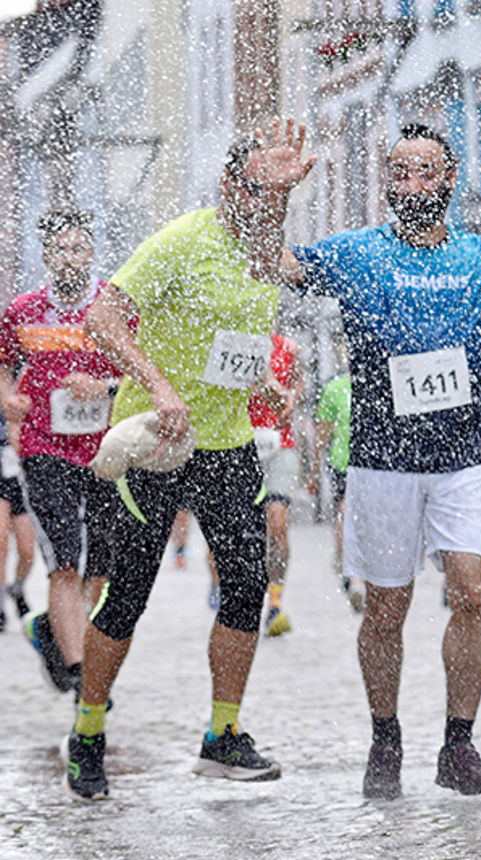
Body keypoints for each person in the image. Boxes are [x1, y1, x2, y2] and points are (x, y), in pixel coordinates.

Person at [280, 124, 481, 800]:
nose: (412, 183)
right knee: (386, 609)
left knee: (474, 592)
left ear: (449, 179)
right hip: (381, 460)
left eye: (425, 170)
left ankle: (459, 744)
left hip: (464, 457)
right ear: (388, 183)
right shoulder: (357, 253)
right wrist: (273, 197)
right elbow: (273, 263)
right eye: (400, 172)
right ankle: (385, 738)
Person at [64, 118, 315, 801]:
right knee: (127, 598)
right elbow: (102, 318)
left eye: (278, 192)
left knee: (247, 586)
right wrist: (159, 386)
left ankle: (222, 735)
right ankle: (88, 732)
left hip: (226, 443)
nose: (266, 202)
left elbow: (231, 337)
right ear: (229, 185)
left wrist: (262, 383)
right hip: (154, 441)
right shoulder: (183, 240)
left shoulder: (265, 257)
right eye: (258, 187)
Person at [0, 207, 122, 694]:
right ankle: (80, 673)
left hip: (106, 451)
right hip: (43, 448)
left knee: (100, 567)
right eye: (59, 249)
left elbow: (141, 373)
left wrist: (103, 387)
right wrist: (7, 399)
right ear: (46, 254)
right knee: (64, 559)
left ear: (91, 252)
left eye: (78, 248)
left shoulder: (113, 307)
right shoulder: (22, 311)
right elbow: (3, 363)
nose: (69, 257)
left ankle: (56, 631)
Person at [247, 332, 305, 636]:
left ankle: (275, 603)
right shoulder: (233, 339)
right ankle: (237, 596)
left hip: (280, 443)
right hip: (241, 442)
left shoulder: (288, 347)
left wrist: (292, 397)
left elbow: (298, 383)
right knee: (240, 529)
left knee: (277, 522)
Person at [308, 368, 362, 612]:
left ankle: (356, 570)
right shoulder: (334, 388)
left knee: (365, 518)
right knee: (345, 512)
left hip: (372, 464)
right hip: (343, 462)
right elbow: (323, 431)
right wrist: (314, 470)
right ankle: (351, 571)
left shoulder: (378, 381)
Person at [0, 414, 36, 629]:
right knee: (1, 544)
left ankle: (18, 588)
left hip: (23, 480)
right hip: (1, 478)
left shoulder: (27, 400)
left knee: (27, 551)